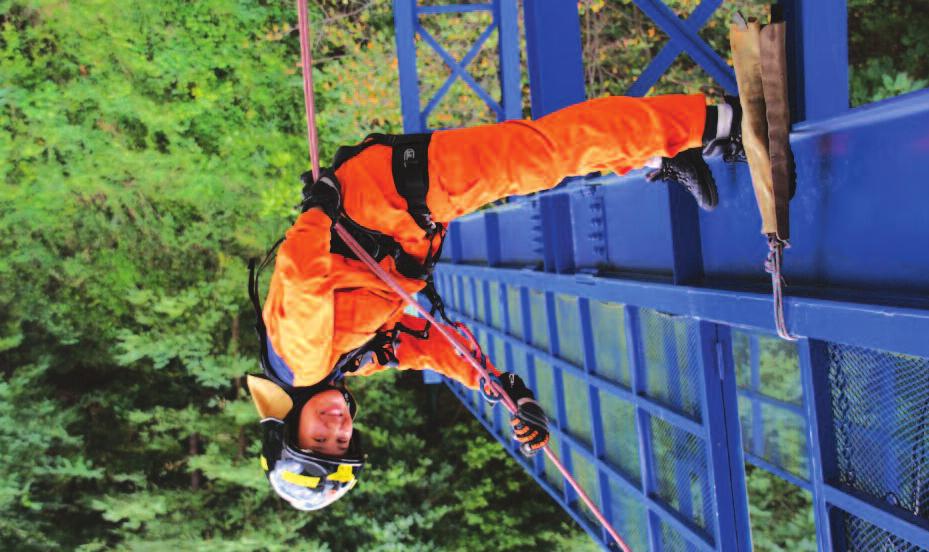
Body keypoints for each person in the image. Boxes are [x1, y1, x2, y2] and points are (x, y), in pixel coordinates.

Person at [246, 93, 744, 511]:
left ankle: (715, 120)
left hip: (390, 196)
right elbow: (426, 346)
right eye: (341, 442)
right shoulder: (335, 365)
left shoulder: (304, 361)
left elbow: (302, 273)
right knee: (544, 157)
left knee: (545, 154)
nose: (336, 428)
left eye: (319, 438)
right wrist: (502, 389)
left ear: (289, 424)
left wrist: (320, 209)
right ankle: (660, 150)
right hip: (398, 210)